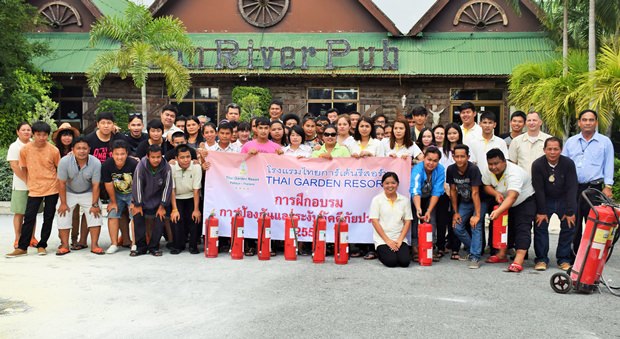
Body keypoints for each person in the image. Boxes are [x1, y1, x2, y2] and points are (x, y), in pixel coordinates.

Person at [562, 109, 615, 254]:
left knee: (595, 222)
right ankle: (575, 254)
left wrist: (608, 186)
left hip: (594, 188)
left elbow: (608, 164)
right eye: (584, 120)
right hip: (573, 188)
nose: (587, 123)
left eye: (591, 120)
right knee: (574, 223)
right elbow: (563, 164)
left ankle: (593, 255)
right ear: (579, 123)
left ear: (596, 123)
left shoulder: (605, 142)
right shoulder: (571, 142)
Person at [6, 121, 60, 258]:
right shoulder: (25, 149)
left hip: (52, 188)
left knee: (48, 218)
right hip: (34, 188)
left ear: (47, 135)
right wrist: (28, 182)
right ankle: (22, 247)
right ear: (34, 134)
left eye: (44, 135)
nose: (41, 137)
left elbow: (59, 168)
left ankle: (42, 245)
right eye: (38, 134)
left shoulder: (54, 150)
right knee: (29, 217)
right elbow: (23, 168)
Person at [483, 149, 535, 272]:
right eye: (490, 164)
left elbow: (513, 196)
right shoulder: (488, 170)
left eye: (496, 163)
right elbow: (486, 185)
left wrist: (498, 210)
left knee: (522, 228)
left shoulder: (514, 173)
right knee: (504, 227)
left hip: (524, 201)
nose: (493, 167)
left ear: (504, 162)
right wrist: (495, 193)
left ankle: (518, 260)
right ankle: (501, 254)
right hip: (506, 202)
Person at [532, 137, 578, 271]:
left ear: (561, 150)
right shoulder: (537, 165)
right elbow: (538, 189)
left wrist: (570, 211)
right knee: (540, 226)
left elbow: (572, 187)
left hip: (564, 199)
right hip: (545, 199)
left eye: (556, 149)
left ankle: (563, 259)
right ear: (544, 150)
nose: (552, 152)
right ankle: (541, 259)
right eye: (549, 149)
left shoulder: (568, 163)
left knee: (569, 226)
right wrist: (541, 211)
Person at [55, 136, 103, 255]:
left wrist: (95, 204)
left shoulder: (95, 162)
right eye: (78, 148)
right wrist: (64, 203)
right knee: (62, 212)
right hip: (69, 191)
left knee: (96, 212)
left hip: (88, 191)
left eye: (84, 148)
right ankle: (65, 245)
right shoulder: (65, 161)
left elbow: (96, 185)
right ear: (73, 149)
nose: (82, 151)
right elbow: (61, 183)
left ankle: (94, 245)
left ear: (89, 149)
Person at [447, 144, 486, 268]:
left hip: (480, 200)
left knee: (476, 224)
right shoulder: (451, 169)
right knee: (457, 227)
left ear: (468, 157)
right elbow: (453, 191)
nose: (459, 159)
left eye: (462, 156)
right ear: (453, 157)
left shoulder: (473, 169)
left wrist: (477, 215)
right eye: (457, 156)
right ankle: (474, 247)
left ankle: (475, 257)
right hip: (464, 201)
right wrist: (456, 212)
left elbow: (475, 193)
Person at [131, 144, 173, 257]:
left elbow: (168, 187)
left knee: (160, 218)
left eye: (158, 157)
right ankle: (141, 247)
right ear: (148, 156)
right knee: (137, 216)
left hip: (159, 201)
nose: (156, 160)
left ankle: (154, 247)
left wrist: (162, 206)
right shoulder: (141, 166)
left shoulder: (166, 167)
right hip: (142, 200)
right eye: (153, 157)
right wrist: (138, 204)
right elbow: (137, 185)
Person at [369, 172, 413, 268]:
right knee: (391, 262)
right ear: (382, 184)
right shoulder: (377, 200)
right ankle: (380, 253)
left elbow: (408, 221)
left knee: (405, 262)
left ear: (397, 184)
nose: (390, 186)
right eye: (387, 183)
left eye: (393, 183)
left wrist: (400, 240)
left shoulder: (404, 200)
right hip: (383, 240)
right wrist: (388, 241)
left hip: (399, 239)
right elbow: (374, 221)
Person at [102, 140, 138, 254]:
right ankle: (114, 243)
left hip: (132, 193)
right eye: (117, 154)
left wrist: (134, 201)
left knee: (134, 214)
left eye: (122, 154)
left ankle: (135, 243)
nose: (119, 157)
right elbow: (108, 184)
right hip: (116, 193)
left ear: (127, 153)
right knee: (112, 213)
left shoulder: (133, 164)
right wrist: (113, 201)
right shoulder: (107, 165)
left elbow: (138, 183)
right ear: (112, 154)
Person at [410, 147, 445, 260]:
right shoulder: (417, 169)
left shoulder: (440, 170)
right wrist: (418, 208)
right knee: (415, 220)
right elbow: (415, 190)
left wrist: (429, 210)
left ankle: (430, 245)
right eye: (429, 159)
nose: (431, 163)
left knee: (431, 219)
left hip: (431, 197)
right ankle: (415, 247)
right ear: (424, 158)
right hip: (416, 197)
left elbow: (437, 191)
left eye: (435, 161)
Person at [7, 122, 38, 249]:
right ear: (17, 132)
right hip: (20, 185)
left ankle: (32, 237)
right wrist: (26, 180)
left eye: (28, 130)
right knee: (20, 212)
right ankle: (18, 238)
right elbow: (14, 165)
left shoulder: (35, 144)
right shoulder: (14, 146)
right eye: (23, 130)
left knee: (32, 213)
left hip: (35, 185)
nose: (26, 132)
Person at [169, 145, 203, 254]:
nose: (185, 160)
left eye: (188, 157)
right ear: (176, 158)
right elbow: (172, 190)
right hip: (177, 197)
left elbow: (196, 190)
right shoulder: (171, 167)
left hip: (192, 197)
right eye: (182, 157)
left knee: (195, 218)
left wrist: (196, 209)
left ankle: (193, 246)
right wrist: (174, 210)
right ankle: (178, 245)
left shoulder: (196, 167)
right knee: (177, 218)